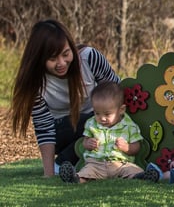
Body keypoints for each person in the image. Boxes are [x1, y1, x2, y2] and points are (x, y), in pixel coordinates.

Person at [10, 19, 120, 177]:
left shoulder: (89, 58)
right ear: (40, 59)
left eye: (66, 54)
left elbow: (116, 91)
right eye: (52, 59)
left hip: (100, 123)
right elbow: (44, 128)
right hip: (63, 130)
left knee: (103, 117)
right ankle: (60, 163)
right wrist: (49, 173)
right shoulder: (36, 84)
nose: (61, 63)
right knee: (92, 120)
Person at [58, 81, 158, 183]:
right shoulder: (91, 123)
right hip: (96, 163)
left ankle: (141, 177)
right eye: (97, 113)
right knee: (87, 171)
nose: (102, 118)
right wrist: (88, 143)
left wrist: (127, 148)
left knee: (132, 169)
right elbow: (84, 141)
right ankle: (76, 178)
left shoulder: (129, 126)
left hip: (121, 163)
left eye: (107, 114)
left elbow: (137, 147)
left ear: (121, 110)